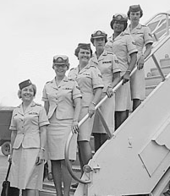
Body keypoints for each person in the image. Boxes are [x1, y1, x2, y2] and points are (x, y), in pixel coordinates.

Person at [42, 55, 82, 196]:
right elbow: (46, 106)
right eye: (58, 66)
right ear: (53, 67)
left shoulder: (72, 83)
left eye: (63, 66)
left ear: (67, 67)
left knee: (67, 160)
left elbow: (78, 103)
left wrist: (75, 120)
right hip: (52, 124)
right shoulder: (48, 85)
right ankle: (58, 193)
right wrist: (43, 124)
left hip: (67, 124)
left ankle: (66, 193)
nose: (60, 68)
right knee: (55, 161)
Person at [8, 79, 49, 196]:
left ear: (34, 93)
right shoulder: (16, 110)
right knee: (20, 183)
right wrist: (11, 153)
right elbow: (14, 133)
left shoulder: (39, 109)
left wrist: (41, 151)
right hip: (18, 150)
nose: (28, 92)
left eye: (31, 90)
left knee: (31, 183)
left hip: (33, 149)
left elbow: (43, 130)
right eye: (25, 90)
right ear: (20, 93)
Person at [68, 43, 104, 173]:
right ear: (77, 54)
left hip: (85, 108)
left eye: (87, 53)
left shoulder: (93, 70)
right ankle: (83, 174)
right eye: (82, 52)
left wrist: (93, 104)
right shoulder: (72, 71)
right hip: (72, 109)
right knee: (77, 142)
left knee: (84, 140)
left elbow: (99, 89)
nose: (85, 55)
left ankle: (89, 173)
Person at [105, 13, 138, 130]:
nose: (118, 25)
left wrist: (128, 72)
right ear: (112, 24)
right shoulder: (108, 40)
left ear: (124, 25)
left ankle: (121, 130)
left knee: (121, 104)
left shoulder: (127, 37)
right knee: (111, 105)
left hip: (122, 73)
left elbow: (134, 56)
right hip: (110, 75)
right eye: (116, 23)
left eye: (121, 23)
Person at [90, 30, 121, 151]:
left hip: (106, 94)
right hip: (93, 95)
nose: (99, 42)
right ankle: (97, 151)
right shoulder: (90, 59)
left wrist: (111, 87)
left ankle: (106, 151)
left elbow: (117, 76)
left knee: (106, 124)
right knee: (95, 126)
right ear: (93, 42)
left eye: (101, 39)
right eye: (97, 40)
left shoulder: (111, 57)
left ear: (105, 41)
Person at [126, 5, 153, 111]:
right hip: (125, 61)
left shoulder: (144, 29)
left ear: (140, 15)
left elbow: (149, 47)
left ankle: (136, 113)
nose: (135, 16)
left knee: (136, 91)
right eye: (133, 14)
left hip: (137, 61)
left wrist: (142, 58)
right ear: (129, 15)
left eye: (137, 14)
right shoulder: (125, 30)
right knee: (125, 91)